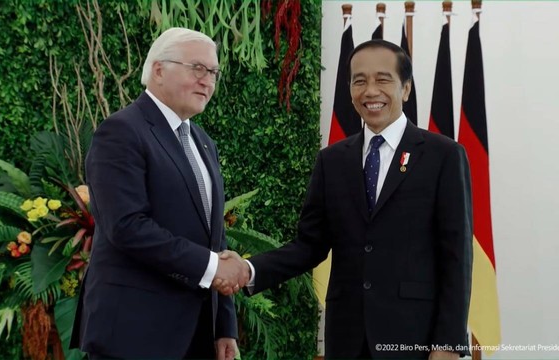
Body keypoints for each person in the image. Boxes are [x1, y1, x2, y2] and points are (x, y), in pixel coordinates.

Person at [220, 39, 473, 359]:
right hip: (347, 338)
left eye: (383, 79)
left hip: (414, 337)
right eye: (359, 80)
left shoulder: (443, 156)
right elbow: (309, 246)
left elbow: (457, 258)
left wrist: (448, 344)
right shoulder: (332, 161)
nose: (370, 91)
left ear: (406, 88)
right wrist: (247, 269)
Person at [70, 27, 249, 360]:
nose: (207, 80)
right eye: (197, 68)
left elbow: (215, 238)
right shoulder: (121, 131)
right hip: (134, 333)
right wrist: (212, 268)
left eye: (213, 72)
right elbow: (127, 227)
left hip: (197, 333)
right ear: (158, 70)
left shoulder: (203, 142)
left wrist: (224, 326)